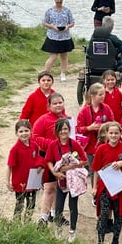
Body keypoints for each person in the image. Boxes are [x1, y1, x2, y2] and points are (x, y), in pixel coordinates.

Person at [91, 121, 122, 244]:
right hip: (104, 187)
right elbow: (95, 169)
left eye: (116, 133)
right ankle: (100, 240)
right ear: (107, 134)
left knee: (118, 213)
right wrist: (94, 187)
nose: (114, 135)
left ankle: (115, 239)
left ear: (120, 134)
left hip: (118, 187)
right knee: (103, 214)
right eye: (111, 133)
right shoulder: (101, 148)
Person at [46, 118, 88, 242]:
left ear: (69, 130)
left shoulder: (74, 144)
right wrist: (55, 172)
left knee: (72, 206)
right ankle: (58, 229)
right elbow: (48, 160)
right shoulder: (53, 145)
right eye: (61, 129)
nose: (63, 132)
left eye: (66, 129)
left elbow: (84, 160)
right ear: (57, 131)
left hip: (73, 182)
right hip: (61, 181)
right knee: (58, 206)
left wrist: (70, 167)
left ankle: (72, 231)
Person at [32, 92, 69, 225]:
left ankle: (56, 215)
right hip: (48, 158)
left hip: (63, 159)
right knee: (49, 188)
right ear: (49, 106)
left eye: (60, 102)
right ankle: (43, 218)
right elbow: (35, 136)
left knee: (60, 188)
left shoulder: (67, 119)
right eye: (55, 103)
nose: (58, 105)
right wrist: (52, 144)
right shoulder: (43, 120)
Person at [6, 119, 44, 220]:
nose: (24, 134)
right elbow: (10, 166)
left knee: (31, 204)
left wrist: (40, 165)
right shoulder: (15, 149)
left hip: (32, 181)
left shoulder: (34, 145)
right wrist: (7, 181)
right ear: (16, 133)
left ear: (31, 131)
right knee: (20, 204)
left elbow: (38, 158)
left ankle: (27, 223)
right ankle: (16, 225)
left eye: (26, 131)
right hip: (20, 183)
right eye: (21, 131)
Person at [76, 83, 114, 167]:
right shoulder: (84, 111)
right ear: (92, 96)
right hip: (90, 146)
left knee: (106, 167)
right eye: (100, 94)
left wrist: (104, 127)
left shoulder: (106, 108)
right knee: (93, 169)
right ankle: (94, 180)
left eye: (104, 94)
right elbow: (78, 129)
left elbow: (112, 124)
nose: (103, 96)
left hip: (105, 143)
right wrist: (89, 128)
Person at [41, 0, 75, 81]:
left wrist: (67, 26)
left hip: (65, 36)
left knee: (64, 56)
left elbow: (72, 22)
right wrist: (52, 26)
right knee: (53, 56)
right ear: (55, 0)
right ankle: (46, 74)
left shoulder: (67, 11)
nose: (59, 1)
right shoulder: (49, 11)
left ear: (62, 0)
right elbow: (44, 22)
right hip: (53, 36)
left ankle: (63, 74)